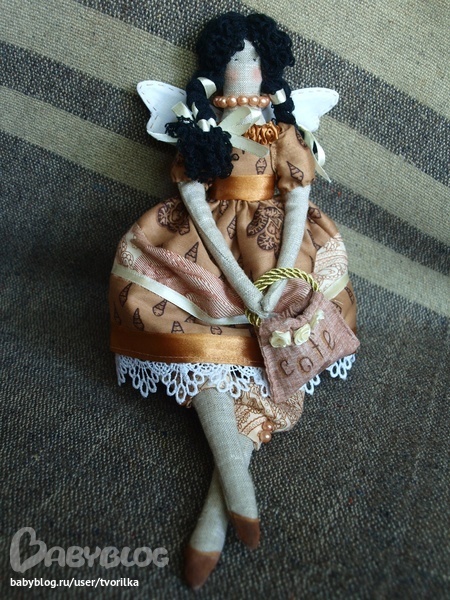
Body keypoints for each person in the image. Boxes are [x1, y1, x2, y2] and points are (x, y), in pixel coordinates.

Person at [109, 12, 357, 589]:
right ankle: (235, 486)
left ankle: (219, 512)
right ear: (217, 66)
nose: (243, 66)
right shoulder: (202, 128)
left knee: (279, 340)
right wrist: (239, 283)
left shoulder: (280, 129)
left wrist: (280, 274)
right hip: (206, 249)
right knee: (199, 333)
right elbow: (196, 205)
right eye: (233, 57)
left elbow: (297, 199)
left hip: (278, 250)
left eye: (252, 57)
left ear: (267, 65)